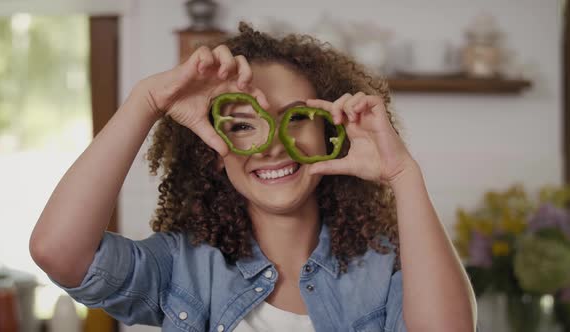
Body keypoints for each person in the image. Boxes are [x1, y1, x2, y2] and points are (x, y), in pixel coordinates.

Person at [29, 22, 477, 331]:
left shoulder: (385, 269)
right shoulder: (182, 268)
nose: (274, 145)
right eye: (242, 124)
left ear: (330, 131)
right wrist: (145, 101)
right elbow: (58, 252)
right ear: (214, 152)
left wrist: (402, 173)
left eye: (295, 118)